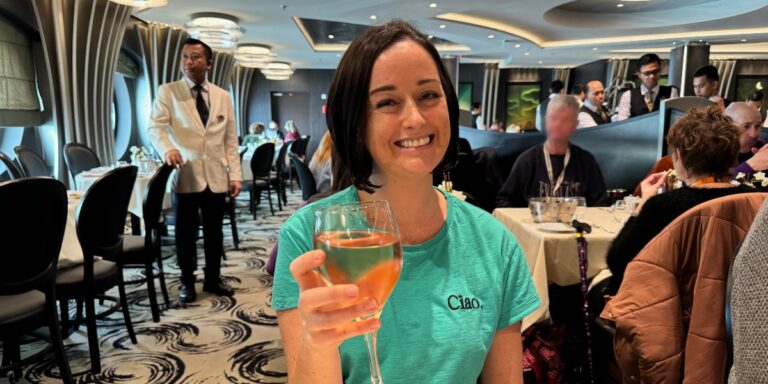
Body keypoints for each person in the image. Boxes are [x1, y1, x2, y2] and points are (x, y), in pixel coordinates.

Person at [272, 20, 539, 383]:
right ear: (356, 123)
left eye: (429, 95)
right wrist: (317, 341)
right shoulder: (312, 239)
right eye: (387, 102)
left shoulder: (496, 243)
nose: (414, 118)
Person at [605, 105, 754, 294]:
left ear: (681, 156)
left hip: (672, 310)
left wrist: (643, 203)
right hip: (738, 309)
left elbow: (618, 262)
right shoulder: (755, 200)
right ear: (733, 155)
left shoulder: (665, 206)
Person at [148, 38, 241, 303]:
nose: (189, 62)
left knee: (214, 232)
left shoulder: (223, 96)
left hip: (216, 175)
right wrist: (167, 148)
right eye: (185, 57)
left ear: (208, 63)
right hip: (185, 174)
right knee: (185, 234)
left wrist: (235, 174)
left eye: (195, 57)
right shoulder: (168, 92)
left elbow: (230, 140)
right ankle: (187, 282)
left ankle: (213, 278)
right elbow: (156, 127)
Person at [496, 95, 608, 208]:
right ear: (545, 121)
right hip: (535, 222)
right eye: (553, 118)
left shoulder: (586, 161)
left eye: (565, 120)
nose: (558, 125)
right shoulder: (528, 160)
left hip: (575, 223)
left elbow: (600, 204)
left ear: (575, 125)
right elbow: (504, 201)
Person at [617, 53, 679, 120]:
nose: (652, 76)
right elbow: (622, 123)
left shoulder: (671, 92)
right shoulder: (628, 96)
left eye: (655, 72)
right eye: (647, 73)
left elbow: (676, 120)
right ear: (639, 74)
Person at [726, 102, 768, 177]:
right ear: (728, 126)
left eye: (758, 126)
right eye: (746, 126)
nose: (753, 134)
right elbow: (707, 183)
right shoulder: (713, 152)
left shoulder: (763, 148)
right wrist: (750, 166)